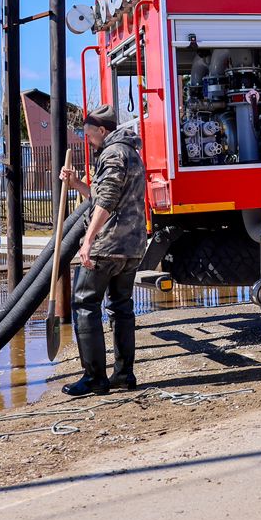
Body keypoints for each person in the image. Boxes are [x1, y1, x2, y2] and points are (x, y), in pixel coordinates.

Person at [59, 105, 148, 396]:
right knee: (121, 308)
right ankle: (123, 374)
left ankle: (95, 377)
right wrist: (77, 184)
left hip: (108, 245)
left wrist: (88, 240)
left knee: (85, 304)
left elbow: (107, 202)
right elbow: (102, 195)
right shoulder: (131, 152)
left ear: (102, 130)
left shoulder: (112, 154)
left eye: (89, 135)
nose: (88, 141)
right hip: (132, 245)